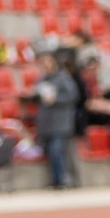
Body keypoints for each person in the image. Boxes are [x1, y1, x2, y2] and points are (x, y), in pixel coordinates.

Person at [33, 51, 80, 190]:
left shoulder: (63, 78)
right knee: (50, 153)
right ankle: (55, 180)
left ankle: (63, 180)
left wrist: (56, 99)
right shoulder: (42, 80)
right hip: (46, 123)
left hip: (60, 122)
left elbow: (73, 96)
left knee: (58, 151)